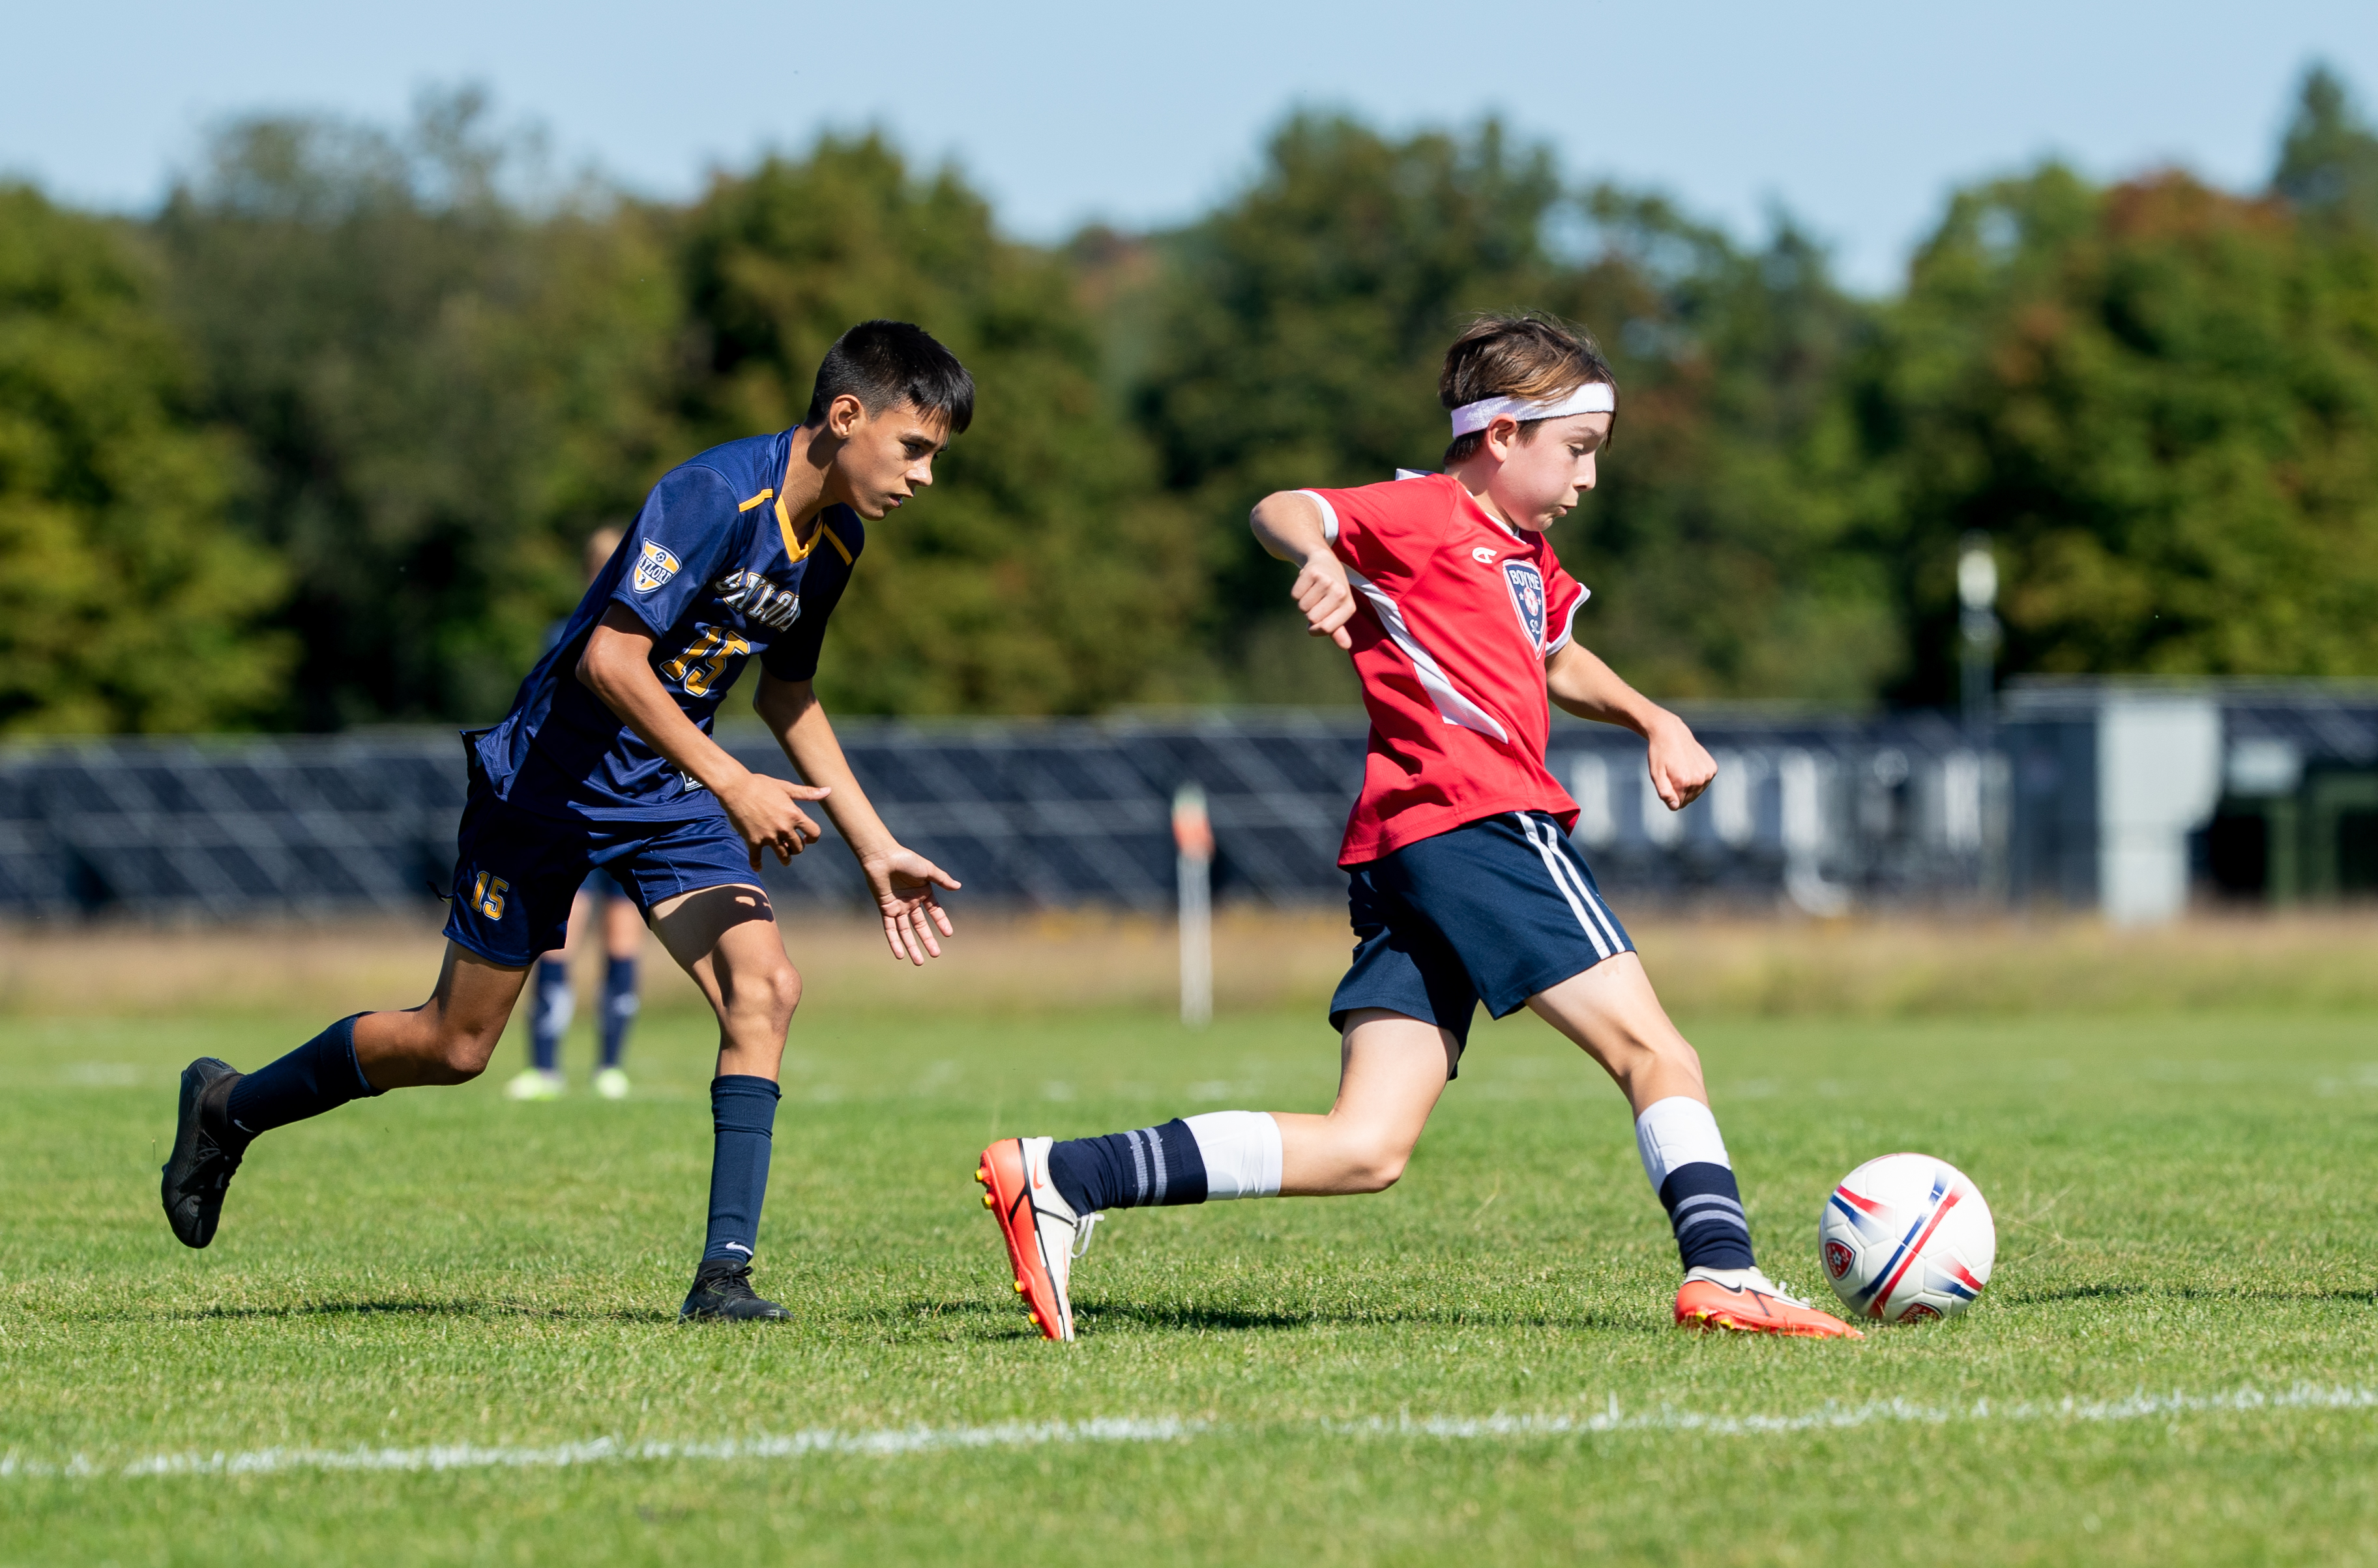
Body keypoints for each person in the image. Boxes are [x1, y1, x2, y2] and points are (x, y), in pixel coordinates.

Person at [978, 315, 1860, 1343]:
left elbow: (1555, 656)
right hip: (1480, 821)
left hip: (1412, 850)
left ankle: (1066, 1176)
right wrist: (1317, 553)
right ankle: (1725, 1271)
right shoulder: (1424, 512)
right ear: (1502, 435)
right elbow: (1281, 508)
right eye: (1577, 449)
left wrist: (1654, 719)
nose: (1587, 479)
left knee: (1366, 1146)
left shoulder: (1524, 553)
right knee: (1656, 1052)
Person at [162, 320, 969, 1322]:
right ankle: (227, 1107)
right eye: (915, 448)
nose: (924, 477)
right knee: (455, 1046)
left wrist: (874, 844)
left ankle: (723, 1279)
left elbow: (787, 694)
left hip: (667, 794)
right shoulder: (714, 493)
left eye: (935, 458)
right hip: (547, 785)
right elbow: (608, 662)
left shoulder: (837, 539)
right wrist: (734, 782)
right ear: (846, 416)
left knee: (765, 990)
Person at [505, 527, 647, 1103]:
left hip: (633, 808)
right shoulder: (563, 634)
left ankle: (610, 1066)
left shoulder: (658, 635)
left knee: (622, 940)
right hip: (574, 808)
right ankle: (544, 1067)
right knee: (557, 940)